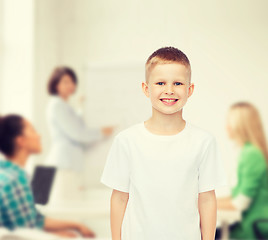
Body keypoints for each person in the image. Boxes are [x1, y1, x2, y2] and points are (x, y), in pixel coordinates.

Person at [100, 47, 227, 240]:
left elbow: (207, 199)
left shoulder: (204, 142)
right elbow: (119, 198)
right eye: (160, 83)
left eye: (177, 83)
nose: (169, 90)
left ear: (189, 89)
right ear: (146, 88)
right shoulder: (127, 141)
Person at [0, 114, 95, 238]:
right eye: (32, 130)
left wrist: (75, 225)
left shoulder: (8, 172)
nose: (39, 135)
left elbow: (35, 220)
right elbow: (25, 233)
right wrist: (58, 236)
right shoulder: (15, 179)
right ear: (21, 141)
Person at [46, 66, 114, 203]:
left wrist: (81, 107)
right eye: (65, 82)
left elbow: (76, 125)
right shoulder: (57, 105)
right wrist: (101, 132)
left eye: (72, 81)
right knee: (65, 207)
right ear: (55, 84)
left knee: (69, 206)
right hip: (63, 165)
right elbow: (77, 133)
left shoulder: (64, 106)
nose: (71, 85)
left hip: (68, 164)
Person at [216, 102, 268, 239]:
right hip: (248, 225)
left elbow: (239, 203)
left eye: (230, 122)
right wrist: (202, 201)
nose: (226, 127)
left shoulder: (251, 155)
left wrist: (202, 204)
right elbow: (236, 196)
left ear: (240, 126)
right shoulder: (249, 152)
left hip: (253, 228)